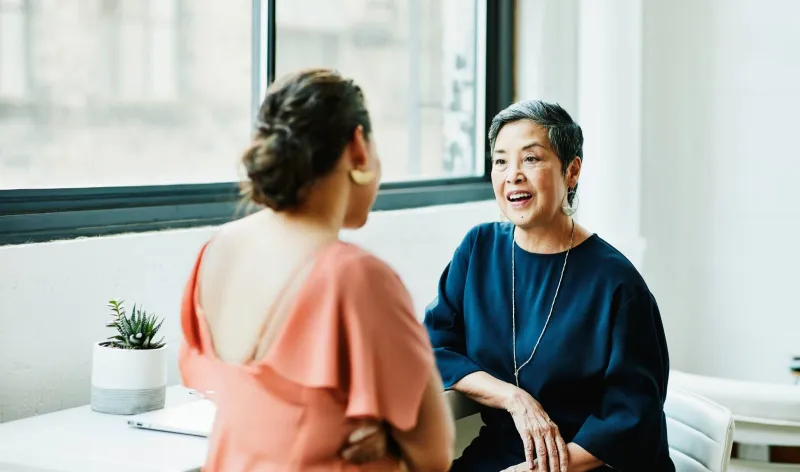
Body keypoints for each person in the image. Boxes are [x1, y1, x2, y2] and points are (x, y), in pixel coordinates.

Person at [179, 68, 455, 471]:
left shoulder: (215, 251)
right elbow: (434, 454)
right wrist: (390, 434)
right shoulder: (356, 278)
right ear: (358, 147)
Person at [424, 100, 675, 472]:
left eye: (531, 159)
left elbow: (633, 416)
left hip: (586, 463)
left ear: (571, 172)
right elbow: (432, 344)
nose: (513, 175)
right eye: (500, 161)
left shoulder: (617, 283)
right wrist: (513, 398)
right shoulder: (478, 249)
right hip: (503, 452)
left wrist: (539, 469)